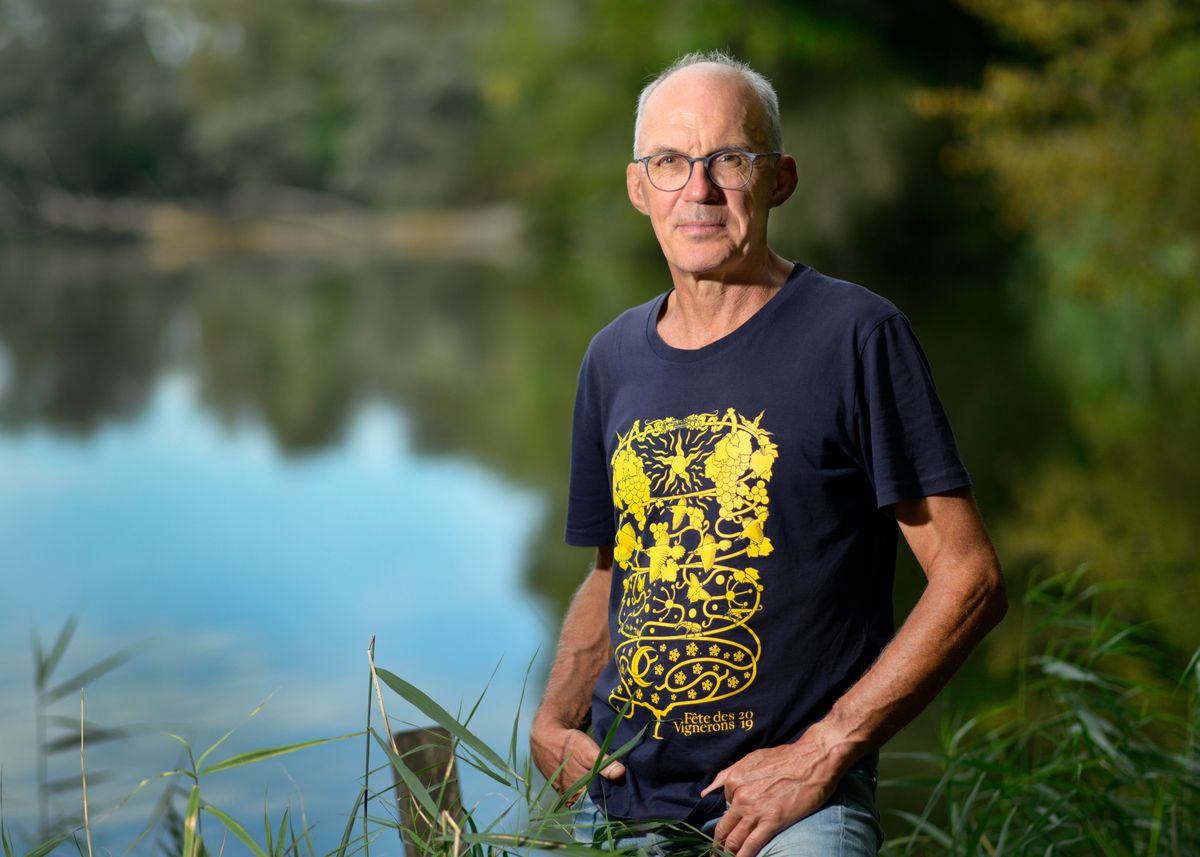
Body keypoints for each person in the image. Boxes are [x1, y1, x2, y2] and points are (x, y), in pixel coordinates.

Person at [530, 50, 1007, 857]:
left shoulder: (856, 335)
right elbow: (618, 568)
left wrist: (823, 752)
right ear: (638, 186)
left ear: (779, 178)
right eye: (671, 162)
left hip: (790, 809)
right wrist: (552, 719)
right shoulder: (611, 357)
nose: (701, 189)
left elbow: (970, 578)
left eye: (730, 159)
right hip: (623, 796)